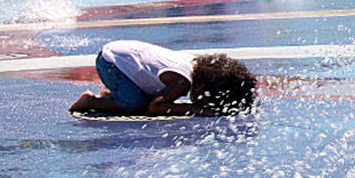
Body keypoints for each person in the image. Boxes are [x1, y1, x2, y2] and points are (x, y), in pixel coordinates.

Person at [69, 40, 257, 117]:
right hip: (111, 63)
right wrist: (195, 109)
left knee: (144, 93)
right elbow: (156, 107)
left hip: (121, 54)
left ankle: (112, 93)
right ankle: (90, 101)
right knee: (137, 106)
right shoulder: (182, 82)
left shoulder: (193, 63)